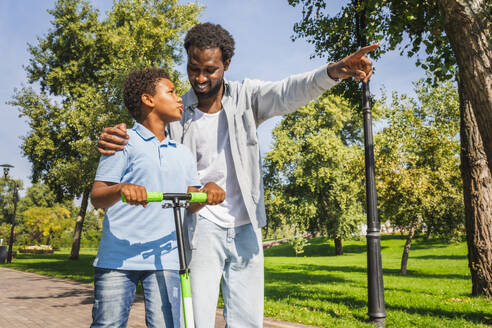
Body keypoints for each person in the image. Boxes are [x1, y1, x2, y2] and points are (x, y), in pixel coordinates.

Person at [97, 23, 378, 327]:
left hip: (246, 224)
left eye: (210, 70)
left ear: (226, 64)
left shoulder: (246, 96)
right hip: (199, 224)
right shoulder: (179, 112)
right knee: (194, 318)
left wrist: (335, 70)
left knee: (247, 321)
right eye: (193, 69)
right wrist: (114, 134)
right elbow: (146, 131)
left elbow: (289, 91)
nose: (200, 78)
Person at [90, 67, 225, 328]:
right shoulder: (122, 141)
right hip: (118, 257)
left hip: (166, 258)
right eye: (172, 92)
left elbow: (190, 202)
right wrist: (121, 189)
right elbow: (97, 196)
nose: (179, 99)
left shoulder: (182, 153)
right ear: (148, 99)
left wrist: (207, 190)